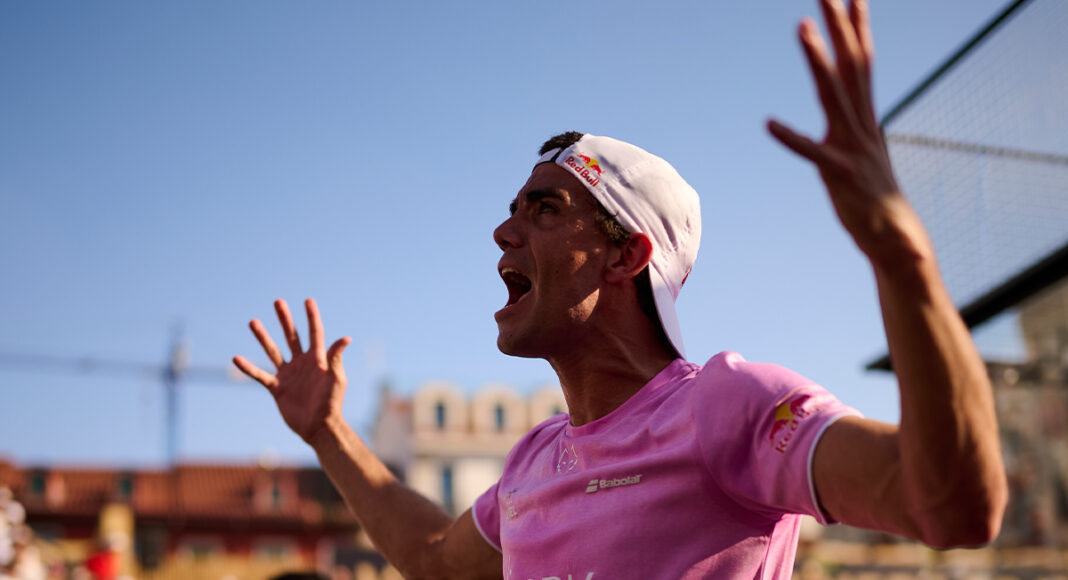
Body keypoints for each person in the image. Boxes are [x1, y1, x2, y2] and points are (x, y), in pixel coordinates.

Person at [234, 1, 1007, 577]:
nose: (504, 234)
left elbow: (951, 505)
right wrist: (328, 433)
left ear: (625, 256)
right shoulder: (534, 461)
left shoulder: (724, 406)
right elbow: (434, 557)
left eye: (544, 209)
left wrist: (903, 262)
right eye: (510, 212)